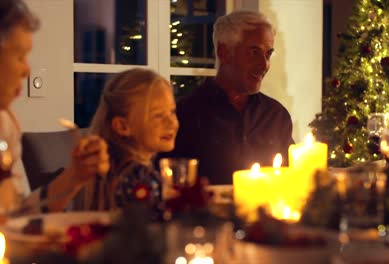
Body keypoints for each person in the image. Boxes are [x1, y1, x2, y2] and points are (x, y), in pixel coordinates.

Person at [0, 0, 109, 213]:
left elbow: (16, 215)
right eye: (20, 56)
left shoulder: (5, 125)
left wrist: (75, 176)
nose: (27, 71)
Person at [164, 10, 294, 184]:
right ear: (224, 52)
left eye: (268, 54)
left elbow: (292, 180)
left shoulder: (276, 116)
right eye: (254, 52)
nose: (264, 64)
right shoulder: (184, 116)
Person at [76, 69, 178, 212]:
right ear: (123, 126)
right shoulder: (140, 179)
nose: (172, 123)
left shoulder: (115, 170)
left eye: (172, 112)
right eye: (158, 115)